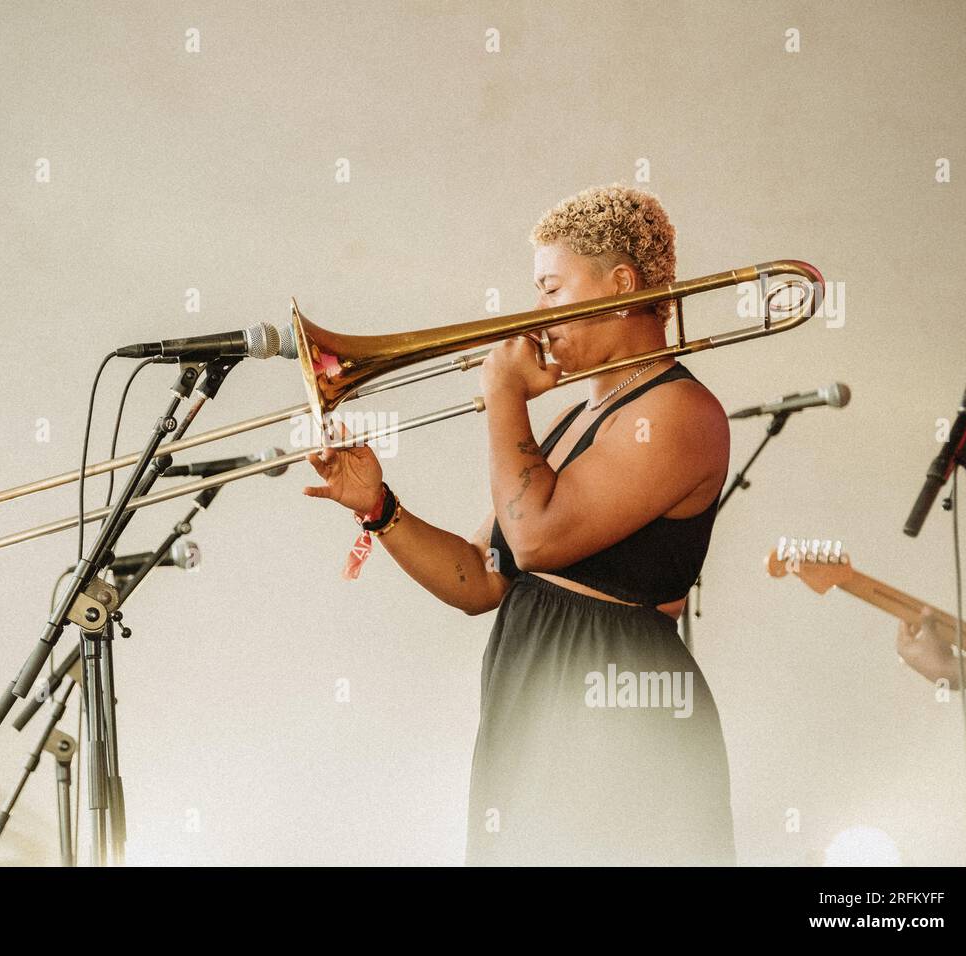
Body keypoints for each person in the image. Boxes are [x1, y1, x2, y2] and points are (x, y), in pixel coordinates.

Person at [304, 184, 736, 865]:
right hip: (539, 693)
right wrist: (378, 507)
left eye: (551, 289)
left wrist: (502, 393)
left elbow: (534, 537)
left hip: (617, 712)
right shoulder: (580, 419)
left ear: (621, 286)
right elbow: (481, 578)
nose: (534, 315)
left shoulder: (679, 413)